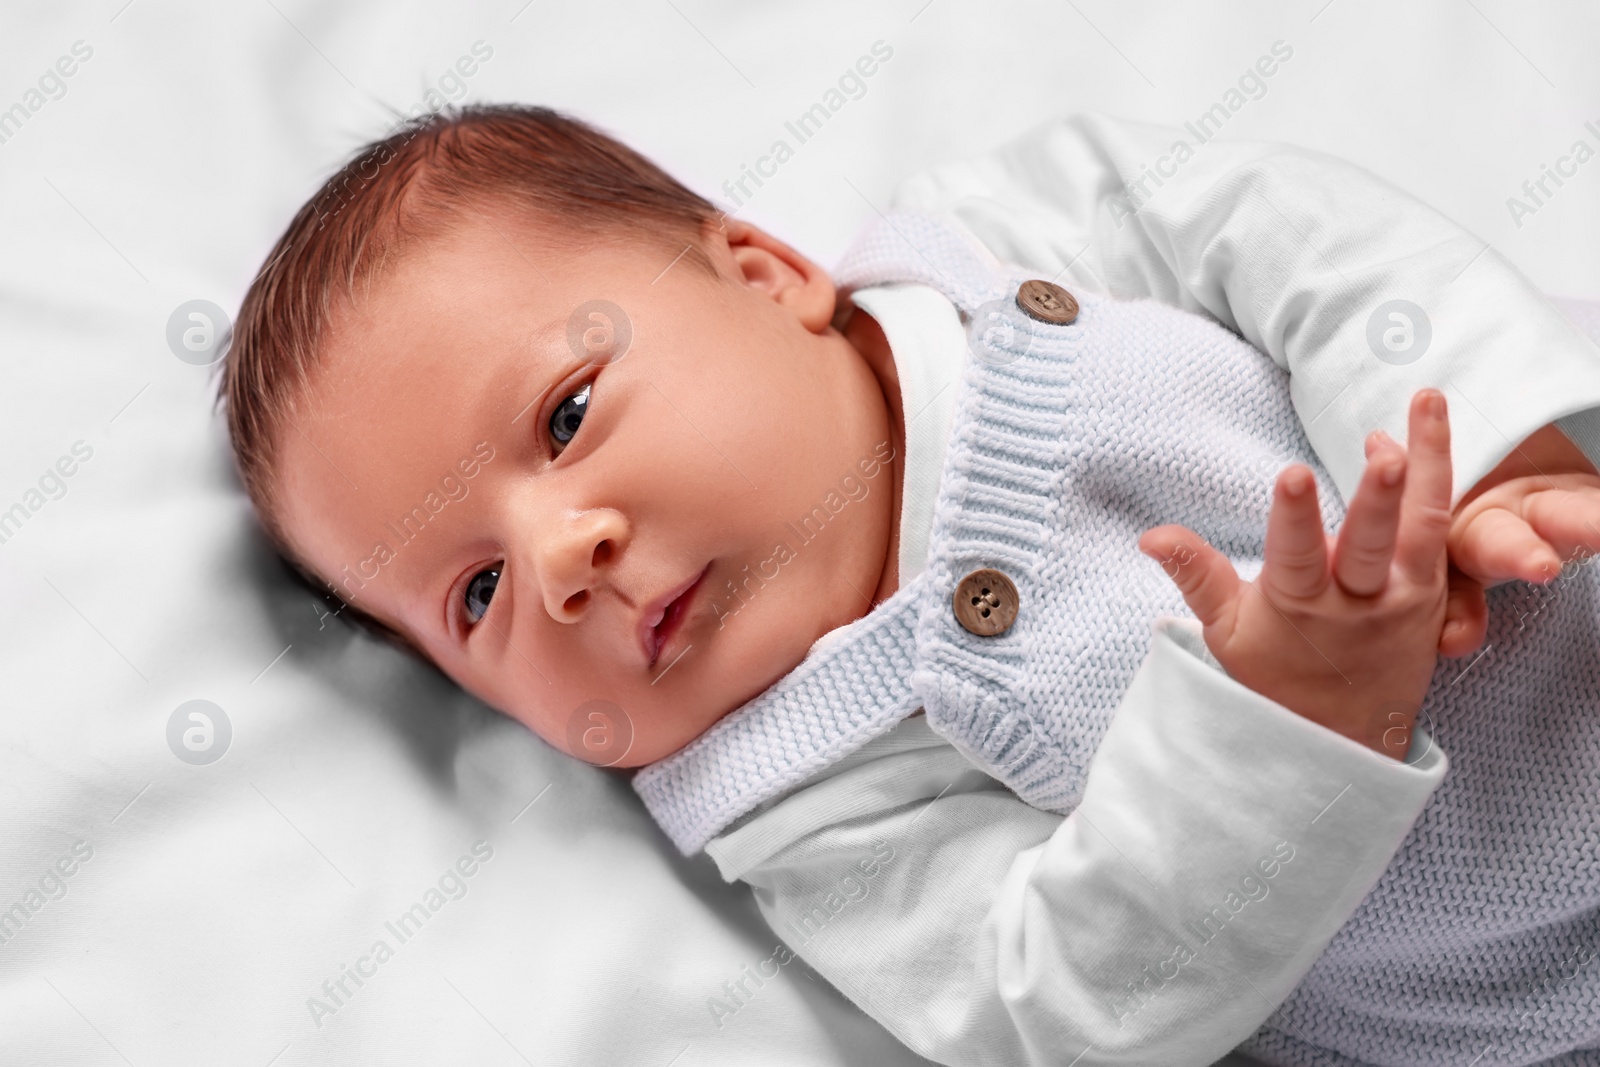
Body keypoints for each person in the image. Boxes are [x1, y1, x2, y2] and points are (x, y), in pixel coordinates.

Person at [218, 104, 1600, 1064]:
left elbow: (1291, 233)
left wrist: (1487, 438)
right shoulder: (811, 795)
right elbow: (1053, 1014)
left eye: (568, 416)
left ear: (766, 274)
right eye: (474, 597)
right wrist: (1290, 727)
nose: (559, 559)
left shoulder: (1003, 247)